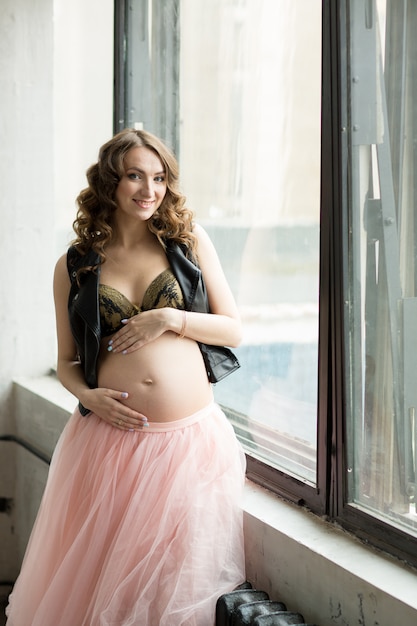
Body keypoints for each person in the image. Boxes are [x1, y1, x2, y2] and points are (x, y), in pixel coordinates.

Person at [5, 128, 246, 625]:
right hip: (109, 444)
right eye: (135, 176)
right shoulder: (74, 265)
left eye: (159, 178)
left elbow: (232, 329)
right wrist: (90, 397)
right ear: (110, 182)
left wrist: (170, 318)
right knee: (102, 585)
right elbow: (69, 362)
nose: (148, 190)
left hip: (188, 447)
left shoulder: (187, 242)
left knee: (170, 589)